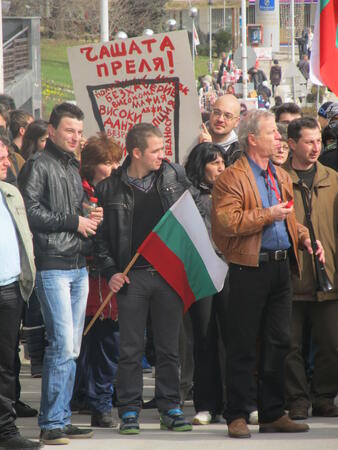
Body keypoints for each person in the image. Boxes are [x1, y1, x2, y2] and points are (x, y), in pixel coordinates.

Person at [212, 109, 324, 438]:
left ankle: (273, 413)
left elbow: (287, 218)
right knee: (243, 343)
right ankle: (237, 414)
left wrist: (304, 238)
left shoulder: (279, 175)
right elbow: (227, 222)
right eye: (272, 132)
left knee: (279, 342)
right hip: (250, 268)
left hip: (280, 267)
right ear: (253, 140)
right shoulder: (231, 178)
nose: (278, 137)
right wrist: (267, 214)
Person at [94, 123, 202, 435]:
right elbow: (100, 241)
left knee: (169, 347)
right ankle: (129, 410)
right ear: (136, 152)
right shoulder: (108, 189)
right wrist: (111, 271)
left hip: (168, 275)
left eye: (162, 149)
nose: (162, 155)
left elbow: (193, 217)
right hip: (131, 279)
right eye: (155, 150)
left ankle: (170, 406)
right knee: (130, 348)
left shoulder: (173, 176)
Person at [19, 103, 102, 445]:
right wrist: (75, 221)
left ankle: (61, 417)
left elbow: (67, 209)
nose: (76, 138)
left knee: (72, 347)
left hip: (78, 264)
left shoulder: (71, 165)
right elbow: (30, 210)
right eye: (70, 131)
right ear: (50, 130)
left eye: (80, 132)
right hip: (52, 264)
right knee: (61, 346)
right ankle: (51, 422)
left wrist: (87, 213)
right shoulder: (38, 165)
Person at [284, 117, 338, 419]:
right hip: (292, 277)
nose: (315, 147)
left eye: (318, 140)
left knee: (331, 343)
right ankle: (297, 399)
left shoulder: (332, 178)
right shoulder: (279, 179)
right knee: (289, 345)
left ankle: (323, 396)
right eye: (308, 141)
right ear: (292, 144)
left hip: (328, 275)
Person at [73, 134, 122, 428]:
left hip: (109, 276)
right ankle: (84, 397)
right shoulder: (79, 192)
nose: (114, 167)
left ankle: (100, 402)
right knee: (81, 343)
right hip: (85, 274)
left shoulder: (116, 190)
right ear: (91, 165)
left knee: (106, 342)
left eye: (116, 161)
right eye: (107, 162)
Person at [0, 135, 41, 449]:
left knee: (6, 364)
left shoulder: (10, 192)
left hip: (10, 289)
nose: (6, 163)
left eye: (6, 156)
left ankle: (5, 432)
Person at [184, 142, 228, 425]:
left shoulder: (232, 191)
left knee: (231, 339)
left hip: (230, 269)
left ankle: (233, 402)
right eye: (214, 163)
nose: (221, 167)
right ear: (201, 166)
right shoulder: (186, 195)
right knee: (204, 339)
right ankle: (206, 404)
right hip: (201, 272)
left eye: (223, 162)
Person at [199, 94, 242, 166]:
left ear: (237, 122)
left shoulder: (240, 152)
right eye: (216, 112)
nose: (220, 119)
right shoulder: (196, 135)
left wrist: (209, 149)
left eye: (227, 116)